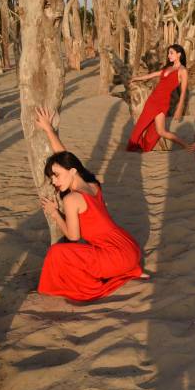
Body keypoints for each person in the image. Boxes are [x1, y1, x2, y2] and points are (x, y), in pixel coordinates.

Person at [35, 107, 147, 301]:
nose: (54, 181)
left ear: (71, 172)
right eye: (52, 177)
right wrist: (48, 130)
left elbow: (73, 236)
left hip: (115, 256)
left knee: (57, 253)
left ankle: (84, 287)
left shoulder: (71, 199)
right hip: (130, 249)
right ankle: (128, 270)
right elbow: (65, 158)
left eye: (56, 176)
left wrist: (55, 214)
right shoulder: (93, 185)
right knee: (81, 253)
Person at [126, 44, 189, 152]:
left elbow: (183, 92)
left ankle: (186, 145)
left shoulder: (183, 71)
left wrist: (179, 108)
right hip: (153, 100)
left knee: (160, 131)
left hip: (163, 102)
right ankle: (135, 145)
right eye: (168, 53)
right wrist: (137, 78)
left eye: (171, 53)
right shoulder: (168, 67)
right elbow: (153, 75)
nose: (169, 55)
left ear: (179, 54)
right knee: (142, 124)